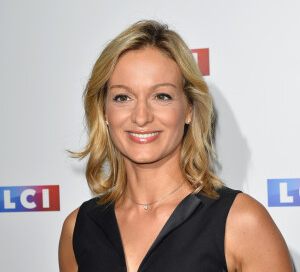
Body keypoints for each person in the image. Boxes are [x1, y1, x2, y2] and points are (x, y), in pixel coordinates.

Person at [59, 20, 293, 272]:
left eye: (161, 96)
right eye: (123, 97)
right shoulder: (78, 228)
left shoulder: (241, 222)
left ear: (189, 109)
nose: (141, 116)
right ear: (104, 111)